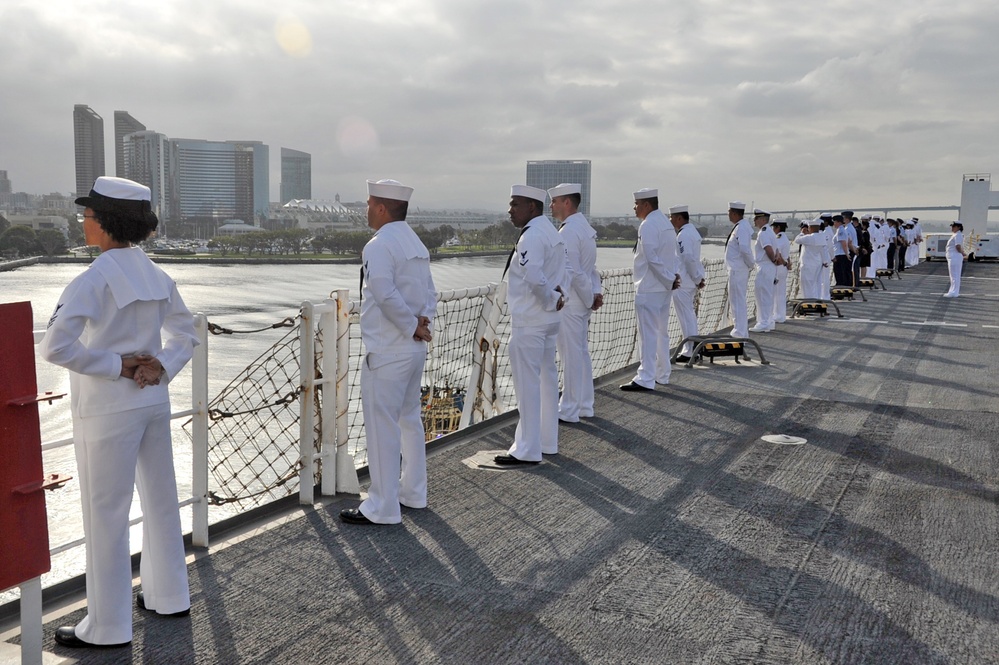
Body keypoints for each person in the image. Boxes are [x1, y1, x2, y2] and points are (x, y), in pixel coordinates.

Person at [39, 176, 197, 649]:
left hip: (108, 409)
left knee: (105, 512)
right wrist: (161, 364)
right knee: (162, 499)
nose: (83, 223)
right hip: (152, 400)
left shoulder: (93, 278)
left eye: (87, 216)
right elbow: (186, 332)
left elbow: (54, 347)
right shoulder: (157, 274)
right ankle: (168, 595)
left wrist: (115, 365)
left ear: (103, 223)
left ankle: (106, 627)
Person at [341, 179, 437, 525]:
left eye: (369, 203)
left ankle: (382, 506)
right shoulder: (416, 243)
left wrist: (412, 324)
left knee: (382, 427)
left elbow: (382, 292)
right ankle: (413, 492)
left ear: (381, 208)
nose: (366, 210)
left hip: (387, 349)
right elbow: (430, 292)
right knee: (409, 420)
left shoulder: (379, 245)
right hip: (412, 350)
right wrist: (422, 321)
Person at [495, 185, 567, 465]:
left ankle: (526, 449)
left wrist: (550, 299)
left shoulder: (532, 235)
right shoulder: (550, 232)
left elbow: (535, 278)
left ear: (532, 208)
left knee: (527, 387)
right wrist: (560, 298)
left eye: (515, 204)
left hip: (530, 321)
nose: (510, 210)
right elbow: (560, 273)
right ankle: (547, 441)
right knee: (547, 382)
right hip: (548, 322)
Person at [549, 183, 602, 422]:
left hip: (572, 303)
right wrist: (594, 294)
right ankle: (584, 405)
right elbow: (591, 270)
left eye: (554, 201)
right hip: (582, 302)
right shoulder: (585, 228)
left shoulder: (568, 231)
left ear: (566, 202)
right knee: (580, 354)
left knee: (571, 356)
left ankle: (569, 409)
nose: (551, 206)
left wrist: (591, 297)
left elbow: (575, 271)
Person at [621, 188, 678, 391]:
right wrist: (672, 277)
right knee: (661, 333)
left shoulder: (648, 225)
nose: (634, 208)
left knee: (647, 334)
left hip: (649, 287)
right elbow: (672, 255)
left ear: (646, 205)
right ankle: (662, 374)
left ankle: (645, 377)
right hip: (663, 288)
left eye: (636, 204)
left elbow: (652, 257)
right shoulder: (666, 224)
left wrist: (670, 278)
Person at [669, 204, 705, 361]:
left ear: (678, 218)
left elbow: (688, 258)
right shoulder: (692, 232)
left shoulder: (683, 235)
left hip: (684, 281)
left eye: (671, 217)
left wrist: (697, 278)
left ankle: (689, 351)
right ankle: (692, 348)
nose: (670, 220)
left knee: (685, 317)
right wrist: (698, 278)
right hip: (690, 280)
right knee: (689, 315)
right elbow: (694, 259)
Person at [723, 201, 754, 337]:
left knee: (737, 301)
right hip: (737, 269)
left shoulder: (741, 228)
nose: (728, 215)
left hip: (737, 269)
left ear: (734, 213)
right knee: (737, 301)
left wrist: (751, 264)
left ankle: (740, 331)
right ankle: (739, 329)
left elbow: (745, 249)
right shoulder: (740, 226)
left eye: (729, 212)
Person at [749, 209, 781, 333]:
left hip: (765, 265)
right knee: (768, 295)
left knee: (762, 295)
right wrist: (775, 259)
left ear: (762, 219)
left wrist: (773, 259)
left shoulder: (763, 233)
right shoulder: (770, 232)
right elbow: (776, 249)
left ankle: (763, 322)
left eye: (756, 218)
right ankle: (768, 322)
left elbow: (768, 248)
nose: (754, 221)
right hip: (770, 266)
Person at [793, 218, 830, 299]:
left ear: (811, 228)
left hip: (807, 264)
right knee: (816, 284)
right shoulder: (821, 237)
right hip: (817, 263)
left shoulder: (809, 238)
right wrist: (825, 261)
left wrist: (802, 233)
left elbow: (796, 240)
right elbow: (823, 251)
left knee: (806, 285)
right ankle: (816, 299)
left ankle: (808, 301)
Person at [771, 219, 791, 323]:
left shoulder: (779, 238)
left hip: (779, 267)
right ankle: (780, 314)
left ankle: (778, 315)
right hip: (783, 267)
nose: (773, 229)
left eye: (774, 227)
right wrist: (787, 263)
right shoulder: (785, 237)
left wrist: (784, 263)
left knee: (777, 292)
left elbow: (777, 253)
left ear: (778, 227)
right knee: (781, 291)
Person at [944, 221, 966, 298]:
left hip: (955, 257)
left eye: (954, 226)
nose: (952, 228)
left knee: (955, 275)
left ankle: (954, 292)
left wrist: (963, 253)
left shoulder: (958, 235)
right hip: (953, 257)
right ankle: (952, 290)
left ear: (958, 227)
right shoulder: (956, 235)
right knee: (953, 275)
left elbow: (958, 246)